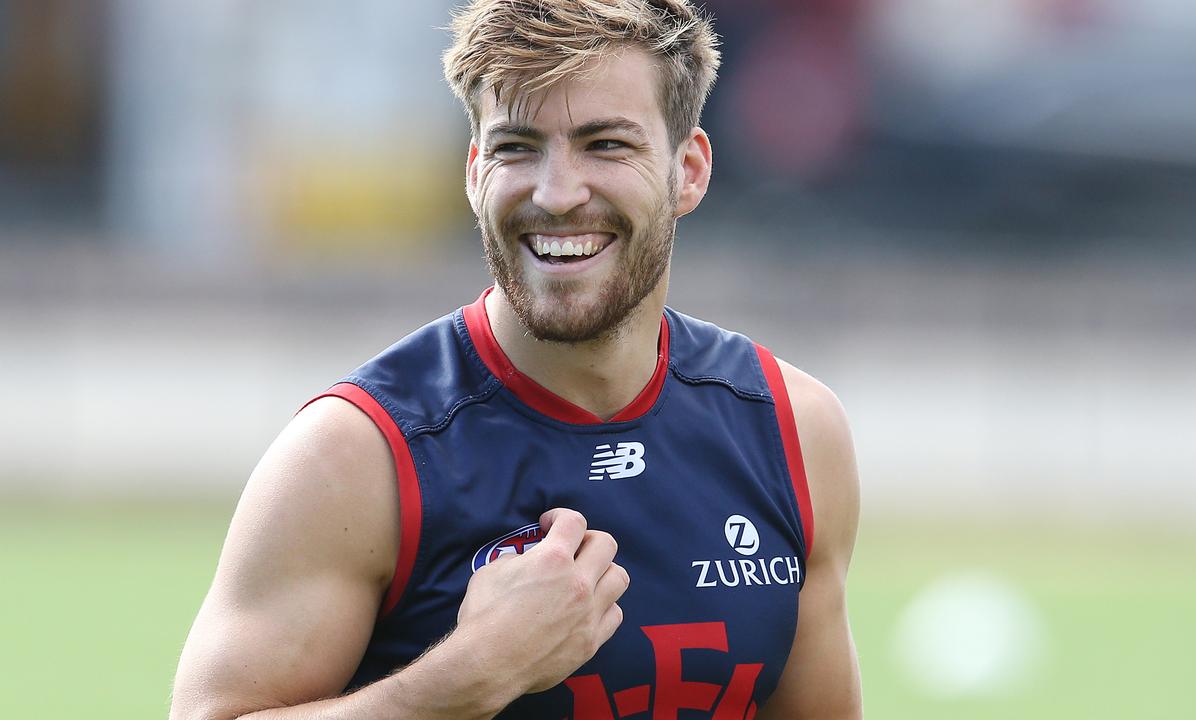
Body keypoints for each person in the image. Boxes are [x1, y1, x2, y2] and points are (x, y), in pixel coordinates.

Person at [170, 1, 861, 718]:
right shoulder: (356, 456)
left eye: (606, 145)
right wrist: (459, 681)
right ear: (475, 172)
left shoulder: (791, 431)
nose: (557, 193)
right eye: (517, 147)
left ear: (688, 171)